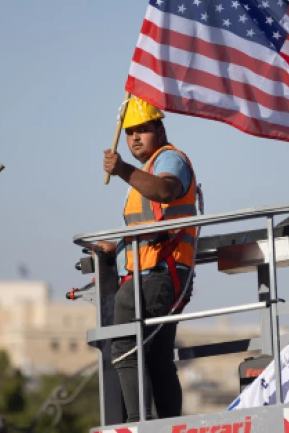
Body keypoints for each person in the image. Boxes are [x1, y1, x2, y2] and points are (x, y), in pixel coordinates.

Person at [99, 96, 198, 422]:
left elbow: (166, 192)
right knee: (156, 357)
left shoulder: (168, 161)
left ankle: (137, 426)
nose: (134, 138)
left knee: (125, 348)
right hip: (160, 273)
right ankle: (167, 425)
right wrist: (118, 246)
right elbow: (151, 222)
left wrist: (123, 170)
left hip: (157, 274)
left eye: (143, 130)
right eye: (129, 132)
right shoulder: (147, 171)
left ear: (160, 128)